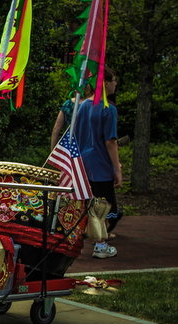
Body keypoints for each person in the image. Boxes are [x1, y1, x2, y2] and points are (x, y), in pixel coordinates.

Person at [73, 68, 122, 259]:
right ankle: (100, 244)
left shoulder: (84, 106)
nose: (115, 84)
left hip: (85, 162)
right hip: (100, 164)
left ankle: (94, 239)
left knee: (92, 204)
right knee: (106, 208)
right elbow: (111, 141)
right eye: (113, 81)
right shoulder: (108, 109)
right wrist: (116, 168)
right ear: (106, 83)